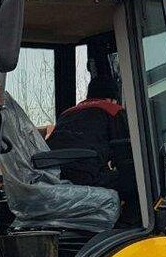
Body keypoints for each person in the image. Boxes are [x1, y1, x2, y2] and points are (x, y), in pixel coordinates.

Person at [46, 75, 138, 223]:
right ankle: (130, 223)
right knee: (138, 180)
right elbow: (125, 155)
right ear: (111, 98)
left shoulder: (67, 113)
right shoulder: (113, 110)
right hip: (89, 178)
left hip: (56, 179)